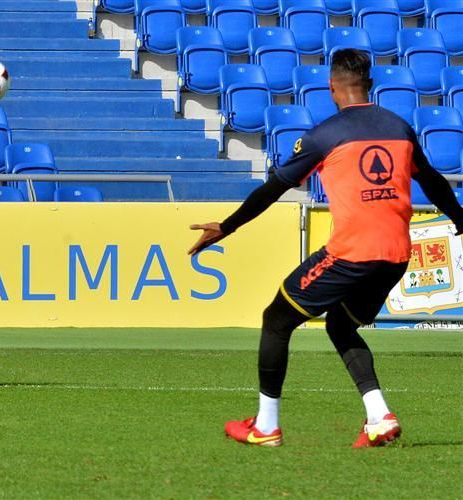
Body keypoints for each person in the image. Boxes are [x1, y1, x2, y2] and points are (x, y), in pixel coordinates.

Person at [188, 49, 463, 448]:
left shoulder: (325, 135)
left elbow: (273, 189)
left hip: (351, 253)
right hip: (396, 256)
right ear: (370, 84)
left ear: (332, 88)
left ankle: (266, 426)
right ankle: (378, 416)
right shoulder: (399, 128)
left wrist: (226, 227)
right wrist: (459, 216)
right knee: (340, 324)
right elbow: (434, 181)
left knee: (277, 320)